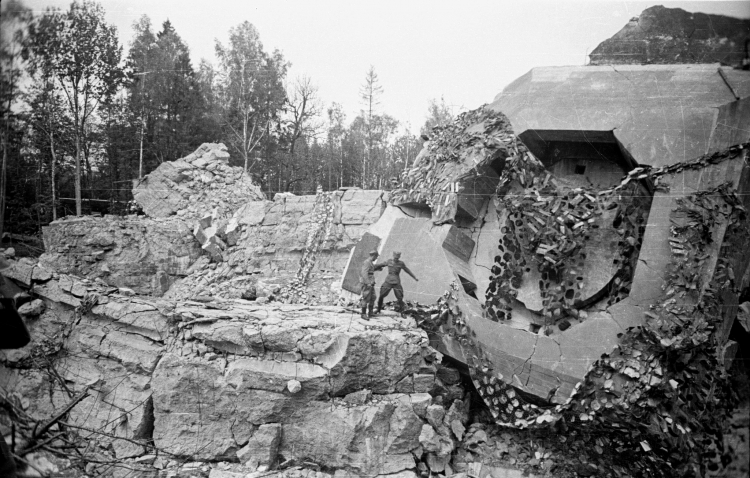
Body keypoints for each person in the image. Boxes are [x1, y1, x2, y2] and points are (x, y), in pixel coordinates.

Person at [359, 250, 385, 319]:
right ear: (373, 256)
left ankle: (370, 313)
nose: (376, 258)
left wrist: (378, 268)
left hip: (371, 283)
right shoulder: (367, 262)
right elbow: (364, 273)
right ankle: (363, 314)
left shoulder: (370, 262)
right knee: (365, 298)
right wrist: (367, 283)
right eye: (376, 257)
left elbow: (371, 269)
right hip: (367, 283)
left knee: (373, 297)